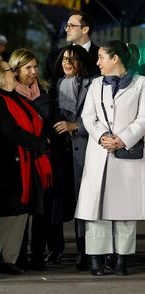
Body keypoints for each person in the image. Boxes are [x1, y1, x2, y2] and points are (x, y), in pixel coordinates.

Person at [75, 41, 145, 276]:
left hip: (126, 154)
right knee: (96, 208)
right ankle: (96, 258)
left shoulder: (141, 84)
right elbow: (88, 115)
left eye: (101, 57)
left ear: (115, 58)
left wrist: (123, 139)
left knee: (124, 210)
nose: (97, 62)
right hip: (100, 151)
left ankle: (121, 259)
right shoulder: (96, 84)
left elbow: (143, 119)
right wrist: (103, 136)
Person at [0, 58, 52, 275]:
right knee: (5, 214)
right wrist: (37, 143)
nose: (12, 73)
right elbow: (10, 133)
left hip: (25, 163)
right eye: (9, 70)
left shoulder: (16, 98)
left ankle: (8, 259)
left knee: (21, 212)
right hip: (6, 166)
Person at [8, 48, 54, 270]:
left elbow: (51, 122)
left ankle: (38, 255)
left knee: (41, 209)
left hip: (42, 157)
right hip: (21, 158)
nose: (33, 72)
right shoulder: (10, 94)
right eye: (28, 68)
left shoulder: (44, 92)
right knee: (22, 209)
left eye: (35, 67)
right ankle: (18, 256)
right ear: (15, 70)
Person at [51, 44, 96, 270]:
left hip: (88, 150)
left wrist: (75, 126)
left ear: (82, 63)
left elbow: (99, 119)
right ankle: (77, 249)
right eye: (64, 59)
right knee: (72, 203)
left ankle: (88, 252)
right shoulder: (59, 84)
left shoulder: (94, 84)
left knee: (88, 203)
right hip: (65, 153)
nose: (67, 63)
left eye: (73, 59)